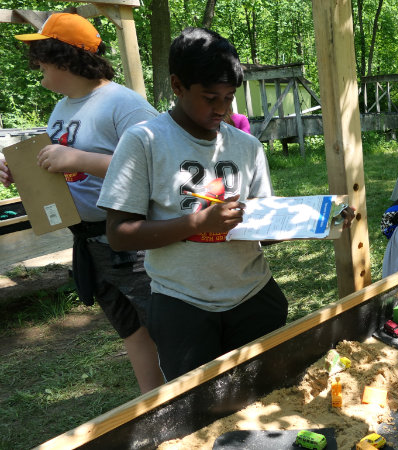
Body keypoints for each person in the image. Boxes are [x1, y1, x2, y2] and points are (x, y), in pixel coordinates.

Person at [97, 28, 353, 381]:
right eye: (209, 97)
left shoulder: (246, 146)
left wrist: (316, 221)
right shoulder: (145, 141)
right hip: (182, 304)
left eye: (229, 97)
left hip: (253, 297)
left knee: (266, 391)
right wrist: (198, 224)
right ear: (177, 85)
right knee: (199, 402)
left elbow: (262, 227)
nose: (221, 108)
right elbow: (119, 234)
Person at [1, 13, 162, 393]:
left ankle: (190, 398)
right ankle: (154, 402)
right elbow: (62, 168)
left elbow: (158, 168)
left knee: (163, 325)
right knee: (131, 328)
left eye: (40, 55)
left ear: (63, 58)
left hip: (132, 242)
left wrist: (79, 159)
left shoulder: (124, 104)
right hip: (90, 241)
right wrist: (22, 172)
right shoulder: (62, 107)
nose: (35, 64)